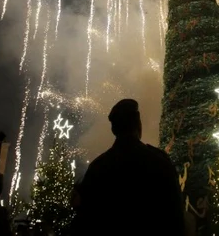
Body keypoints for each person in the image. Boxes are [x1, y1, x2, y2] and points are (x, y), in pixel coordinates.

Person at [72, 99, 185, 235]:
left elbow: (86, 220)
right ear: (138, 124)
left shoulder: (98, 167)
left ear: (114, 129)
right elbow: (175, 216)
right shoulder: (158, 161)